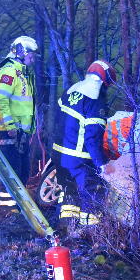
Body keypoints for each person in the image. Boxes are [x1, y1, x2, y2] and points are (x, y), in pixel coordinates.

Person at [53, 60, 116, 229]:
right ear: (104, 82)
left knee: (68, 193)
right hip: (79, 158)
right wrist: (102, 164)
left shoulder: (70, 92)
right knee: (93, 191)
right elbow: (92, 138)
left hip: (59, 155)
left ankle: (65, 229)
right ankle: (89, 233)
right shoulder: (95, 101)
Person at [0, 35, 37, 209]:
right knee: (13, 170)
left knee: (23, 169)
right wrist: (11, 126)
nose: (33, 59)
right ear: (21, 52)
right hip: (9, 130)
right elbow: (0, 100)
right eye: (31, 55)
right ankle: (9, 208)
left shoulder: (24, 72)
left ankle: (18, 206)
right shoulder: (9, 71)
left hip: (21, 132)